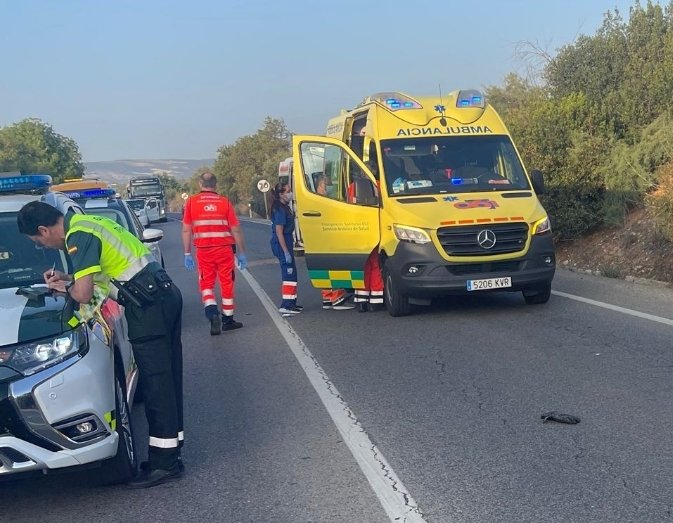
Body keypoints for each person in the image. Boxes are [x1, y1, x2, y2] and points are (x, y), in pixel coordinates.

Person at [17, 201, 184, 489]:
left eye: (38, 241)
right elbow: (103, 276)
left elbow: (83, 294)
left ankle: (165, 464)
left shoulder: (77, 237)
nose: (44, 246)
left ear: (44, 229)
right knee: (167, 380)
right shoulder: (89, 223)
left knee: (157, 384)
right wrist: (69, 278)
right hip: (159, 295)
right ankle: (169, 453)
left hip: (148, 306)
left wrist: (64, 287)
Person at [182, 171, 247, 335]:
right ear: (215, 184)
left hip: (204, 251)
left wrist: (187, 253)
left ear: (200, 184)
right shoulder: (224, 202)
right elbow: (236, 229)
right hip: (224, 249)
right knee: (227, 283)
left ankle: (212, 313)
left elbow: (186, 230)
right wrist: (241, 252)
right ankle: (228, 319)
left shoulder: (191, 202)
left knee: (206, 284)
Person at [315, 174, 353, 311]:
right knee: (333, 266)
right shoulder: (322, 199)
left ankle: (328, 298)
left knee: (325, 267)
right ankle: (336, 298)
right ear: (321, 185)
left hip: (323, 237)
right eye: (327, 185)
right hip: (328, 236)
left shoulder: (317, 198)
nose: (329, 188)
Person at [269, 183, 302, 317]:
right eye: (287, 191)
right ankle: (286, 305)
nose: (290, 193)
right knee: (288, 274)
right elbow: (279, 232)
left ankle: (291, 302)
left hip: (287, 240)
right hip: (282, 242)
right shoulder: (279, 210)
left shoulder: (284, 207)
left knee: (292, 274)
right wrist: (286, 252)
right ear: (281, 194)